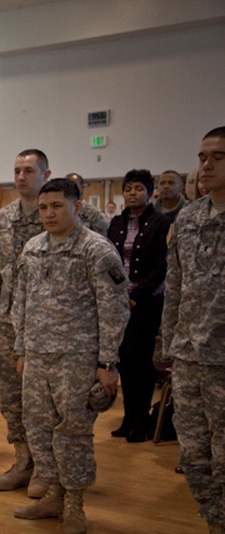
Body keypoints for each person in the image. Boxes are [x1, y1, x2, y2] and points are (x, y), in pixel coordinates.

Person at [11, 178, 129, 534]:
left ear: (77, 207)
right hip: (38, 355)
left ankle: (75, 503)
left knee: (73, 432)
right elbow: (21, 302)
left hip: (78, 358)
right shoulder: (32, 248)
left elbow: (115, 308)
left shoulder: (97, 250)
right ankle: (53, 496)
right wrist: (21, 349)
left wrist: (107, 362)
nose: (48, 213)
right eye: (44, 207)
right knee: (39, 427)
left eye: (57, 206)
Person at [162, 126, 225, 534]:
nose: (206, 166)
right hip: (189, 356)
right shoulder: (188, 219)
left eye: (218, 157)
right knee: (197, 454)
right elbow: (176, 287)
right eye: (202, 156)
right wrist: (167, 344)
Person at [0, 149, 51, 497]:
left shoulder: (58, 215)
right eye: (17, 171)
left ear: (46, 174)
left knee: (42, 403)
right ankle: (23, 461)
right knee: (11, 398)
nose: (21, 177)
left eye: (28, 170)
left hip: (48, 327)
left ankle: (46, 468)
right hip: (8, 324)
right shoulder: (2, 220)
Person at [106, 169, 171, 442]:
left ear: (149, 191)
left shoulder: (160, 222)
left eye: (138, 188)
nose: (133, 193)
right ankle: (128, 418)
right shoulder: (117, 223)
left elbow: (161, 266)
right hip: (118, 301)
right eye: (129, 188)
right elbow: (109, 259)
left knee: (140, 362)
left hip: (146, 303)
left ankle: (142, 421)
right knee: (124, 364)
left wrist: (136, 295)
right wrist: (118, 293)